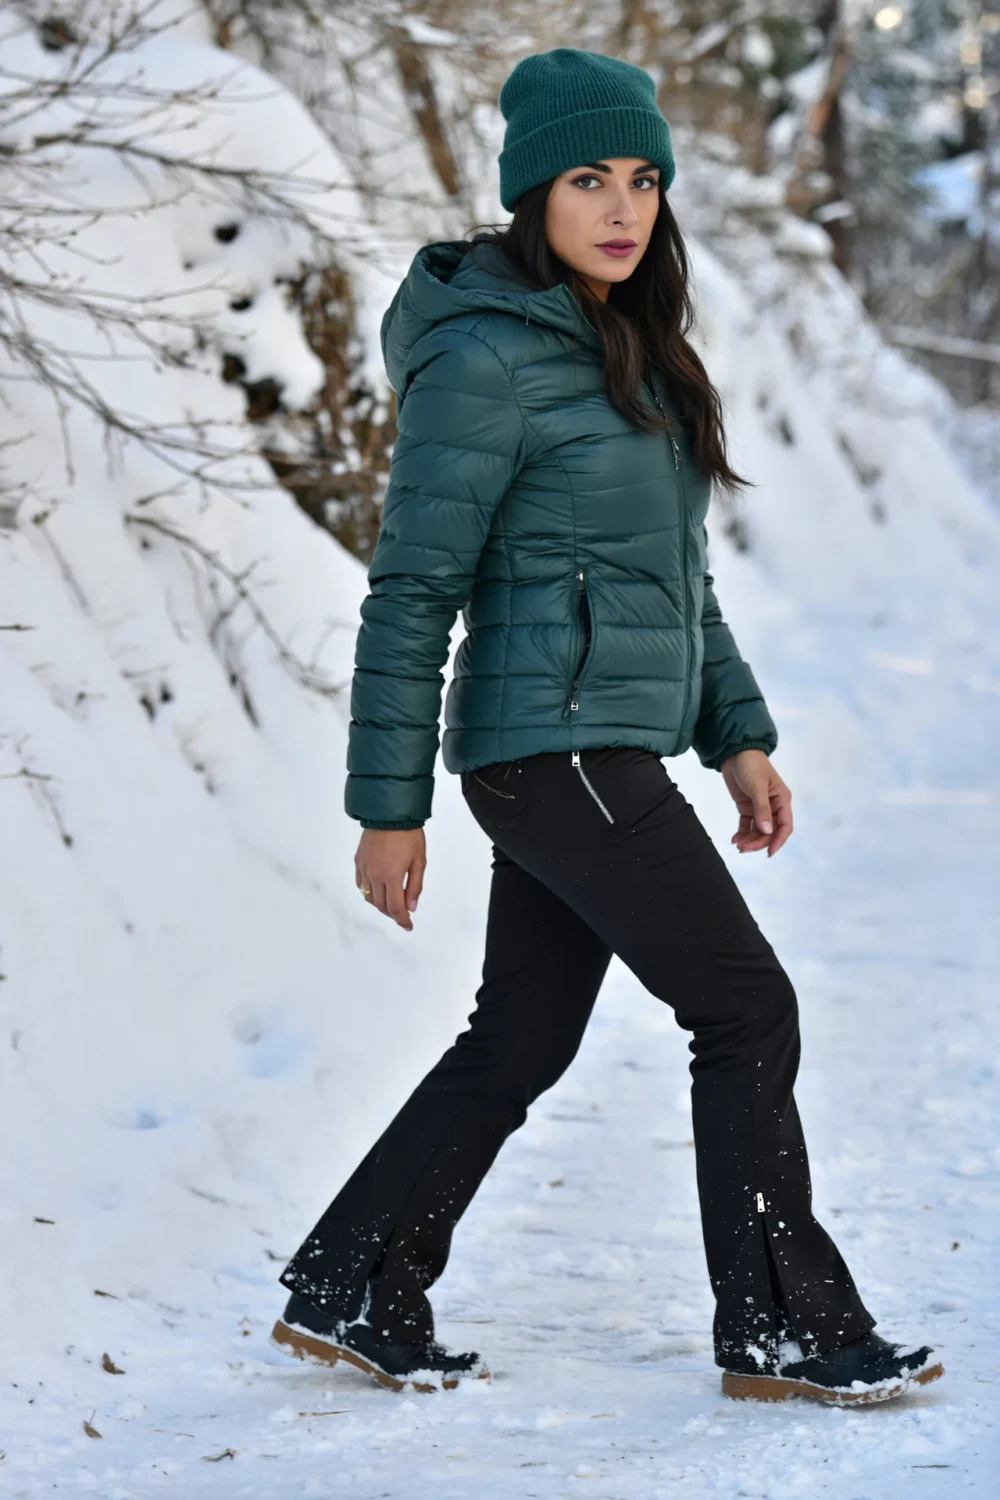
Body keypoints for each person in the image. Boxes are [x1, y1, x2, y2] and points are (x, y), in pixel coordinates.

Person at [271, 48, 943, 1405]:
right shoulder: (484, 362)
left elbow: (674, 583)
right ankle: (783, 1327)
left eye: (643, 179)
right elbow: (412, 591)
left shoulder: (627, 346)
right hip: (554, 750)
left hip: (595, 743)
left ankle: (353, 1280)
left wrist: (736, 732)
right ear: (534, 195)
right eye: (590, 179)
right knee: (746, 1008)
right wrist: (385, 806)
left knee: (524, 1034)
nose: (624, 205)